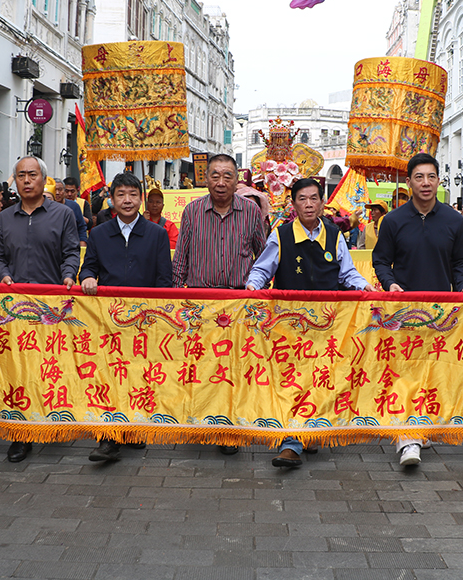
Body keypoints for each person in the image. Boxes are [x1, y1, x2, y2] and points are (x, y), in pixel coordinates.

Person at [246, 178, 372, 468]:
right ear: (293, 205)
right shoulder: (281, 235)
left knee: (321, 378)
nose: (309, 204)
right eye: (302, 199)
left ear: (322, 202)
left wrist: (365, 288)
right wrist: (252, 288)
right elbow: (261, 270)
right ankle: (291, 442)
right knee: (292, 380)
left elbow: (347, 273)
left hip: (328, 325)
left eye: (314, 198)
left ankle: (310, 430)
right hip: (289, 325)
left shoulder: (333, 234)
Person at [372, 152, 463, 466]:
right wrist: (390, 283)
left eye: (431, 177)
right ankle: (408, 439)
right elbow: (380, 260)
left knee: (432, 371)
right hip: (403, 313)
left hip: (441, 314)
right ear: (409, 182)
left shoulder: (454, 221)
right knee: (405, 372)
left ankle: (422, 423)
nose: (426, 183)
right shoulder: (392, 221)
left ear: (438, 181)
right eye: (419, 177)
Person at [173, 153, 267, 455]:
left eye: (228, 176)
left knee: (234, 367)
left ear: (237, 179)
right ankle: (202, 421)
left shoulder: (251, 212)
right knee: (202, 365)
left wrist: (258, 295)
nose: (221, 182)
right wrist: (176, 300)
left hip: (239, 301)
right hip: (202, 302)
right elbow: (181, 260)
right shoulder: (192, 211)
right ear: (206, 178)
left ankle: (229, 428)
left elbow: (262, 256)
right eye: (215, 175)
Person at [0, 156, 80, 462]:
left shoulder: (63, 214)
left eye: (32, 175)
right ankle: (21, 433)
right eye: (20, 176)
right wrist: (2, 274)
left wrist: (69, 274)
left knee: (49, 368)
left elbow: (71, 251)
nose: (26, 180)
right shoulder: (3, 219)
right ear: (14, 181)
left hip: (51, 307)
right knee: (17, 370)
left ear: (44, 179)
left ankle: (52, 420)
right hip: (13, 309)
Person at [79, 172, 172, 462]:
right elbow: (88, 268)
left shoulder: (157, 234)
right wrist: (88, 277)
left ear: (141, 198)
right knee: (108, 376)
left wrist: (157, 316)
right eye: (121, 195)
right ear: (112, 199)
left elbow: (164, 280)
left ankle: (131, 429)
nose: (127, 200)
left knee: (137, 377)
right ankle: (108, 438)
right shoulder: (99, 233)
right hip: (108, 321)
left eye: (133, 194)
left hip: (145, 322)